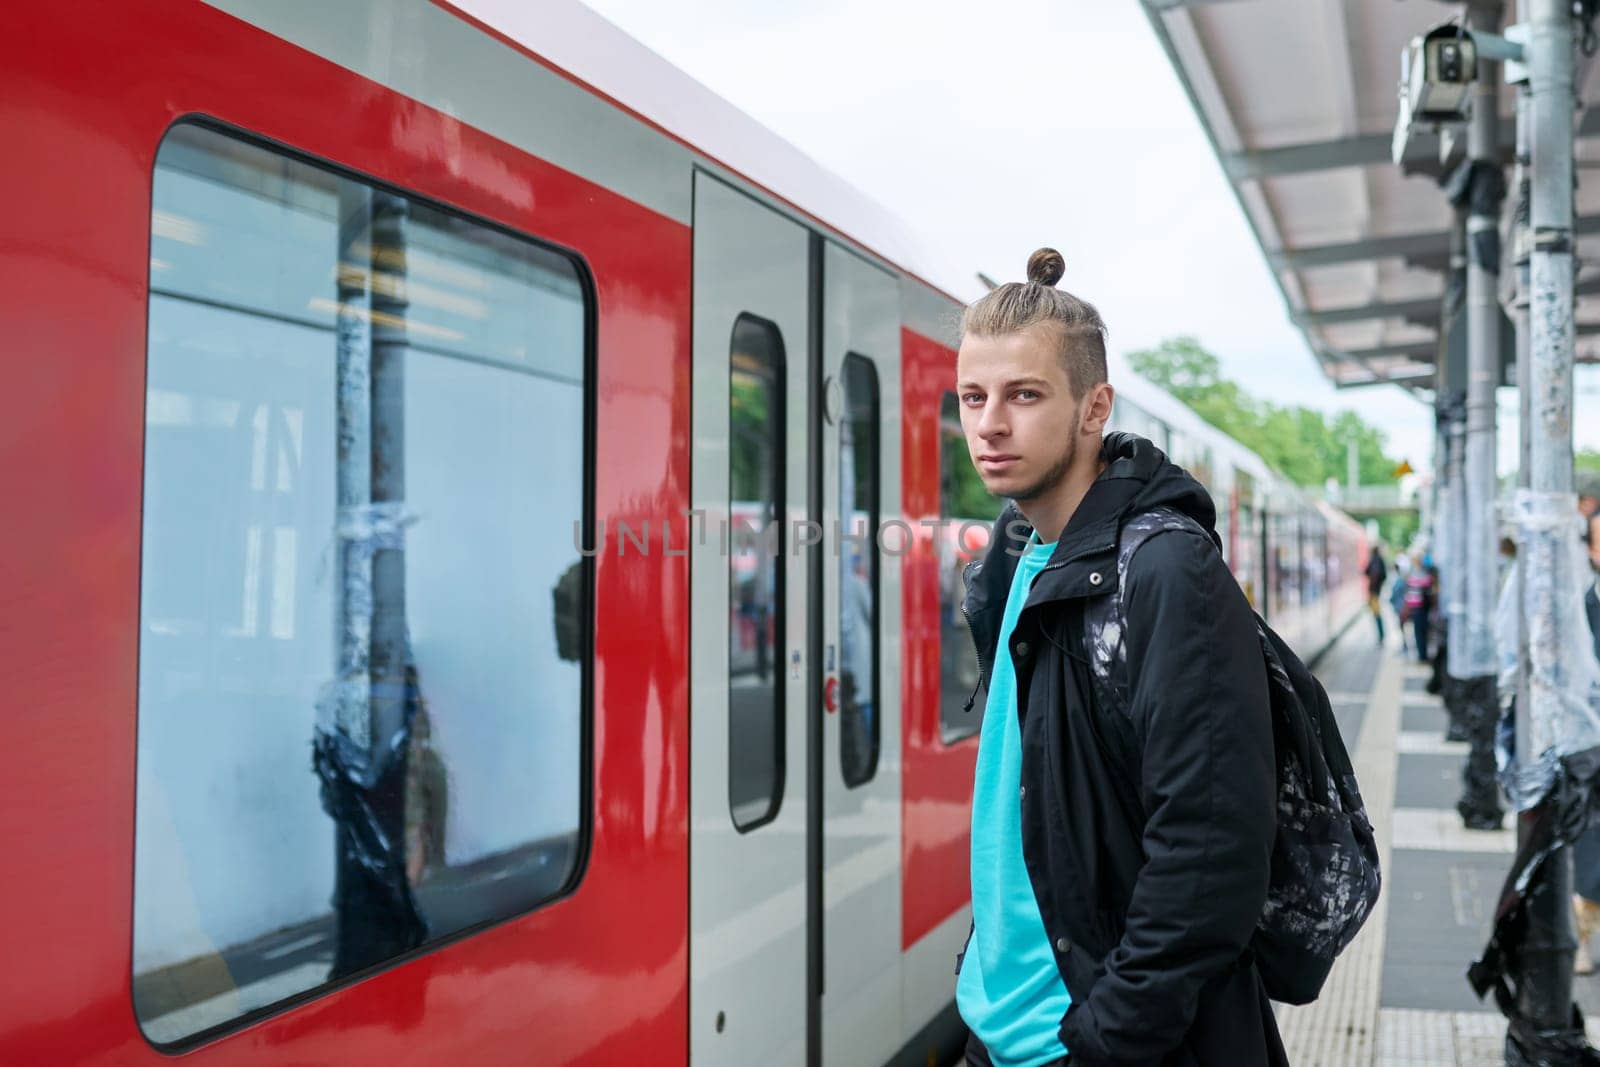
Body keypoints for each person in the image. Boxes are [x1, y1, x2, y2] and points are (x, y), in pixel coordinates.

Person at [953, 248, 1283, 1066]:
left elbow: (1212, 851)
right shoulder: (1015, 557)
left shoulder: (1167, 569)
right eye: (972, 396)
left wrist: (1106, 1041)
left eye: (1024, 395)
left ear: (1095, 405)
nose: (990, 422)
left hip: (1095, 1043)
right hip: (1001, 1032)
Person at [1405, 557, 1437, 665]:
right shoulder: (1426, 574)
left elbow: (1410, 594)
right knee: (1425, 631)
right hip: (1425, 607)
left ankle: (1422, 656)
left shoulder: (1412, 575)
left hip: (1416, 608)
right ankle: (1424, 654)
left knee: (1419, 632)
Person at [1365, 545, 1388, 647]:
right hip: (1376, 591)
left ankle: (1381, 636)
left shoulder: (1375, 560)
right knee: (1376, 614)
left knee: (1377, 614)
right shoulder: (1379, 560)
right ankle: (1381, 635)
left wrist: (1373, 588)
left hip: (1374, 592)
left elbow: (1371, 572)